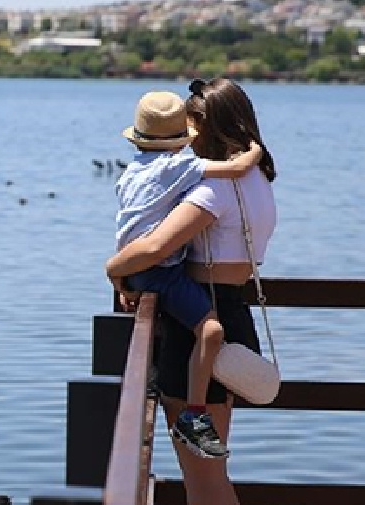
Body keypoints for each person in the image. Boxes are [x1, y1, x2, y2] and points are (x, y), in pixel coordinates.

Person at [106, 78, 278, 505]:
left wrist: (114, 268)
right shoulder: (255, 181)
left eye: (193, 124)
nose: (185, 135)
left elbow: (153, 249)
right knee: (214, 473)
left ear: (209, 126)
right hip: (231, 316)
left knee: (204, 478)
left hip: (196, 332)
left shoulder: (211, 192)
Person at [113, 90, 263, 459]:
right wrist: (255, 147)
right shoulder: (176, 168)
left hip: (141, 269)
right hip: (158, 270)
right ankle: (194, 416)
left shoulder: (133, 170)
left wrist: (118, 274)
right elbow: (235, 168)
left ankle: (151, 377)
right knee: (211, 331)